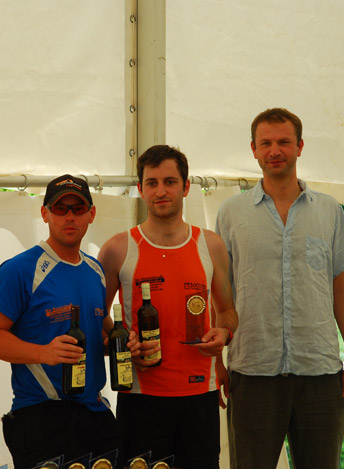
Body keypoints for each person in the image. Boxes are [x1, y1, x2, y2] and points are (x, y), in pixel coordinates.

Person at [215, 108, 344, 469]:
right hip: (252, 370)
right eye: (265, 143)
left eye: (284, 142)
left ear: (299, 146)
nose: (275, 151)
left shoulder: (329, 211)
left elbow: (341, 287)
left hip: (320, 371)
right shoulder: (231, 213)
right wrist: (216, 362)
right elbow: (220, 291)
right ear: (253, 149)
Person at [0, 175, 137, 469]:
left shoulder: (95, 270)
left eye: (78, 208)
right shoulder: (20, 269)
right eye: (60, 208)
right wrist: (44, 353)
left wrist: (122, 343)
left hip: (96, 413)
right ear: (45, 213)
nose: (69, 216)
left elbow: (97, 332)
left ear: (91, 214)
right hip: (42, 415)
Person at [97, 145, 239, 469]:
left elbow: (227, 312)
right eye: (152, 183)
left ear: (186, 187)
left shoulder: (210, 245)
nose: (160, 191)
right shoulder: (118, 248)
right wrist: (124, 345)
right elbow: (97, 315)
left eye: (170, 182)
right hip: (140, 399)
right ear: (140, 189)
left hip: (199, 396)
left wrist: (225, 333)